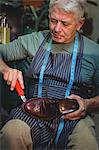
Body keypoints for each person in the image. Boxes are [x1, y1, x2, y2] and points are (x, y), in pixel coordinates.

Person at [0, 0, 99, 149]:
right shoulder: (35, 40)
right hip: (31, 112)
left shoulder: (94, 52)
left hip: (73, 118)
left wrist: (87, 104)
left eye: (65, 24)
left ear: (79, 24)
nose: (57, 29)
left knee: (87, 144)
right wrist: (5, 69)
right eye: (53, 21)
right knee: (11, 133)